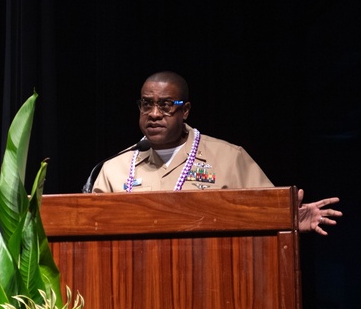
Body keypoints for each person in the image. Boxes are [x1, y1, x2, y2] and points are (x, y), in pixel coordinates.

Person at [90, 71, 342, 235]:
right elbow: (92, 228)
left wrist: (288, 219)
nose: (154, 113)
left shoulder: (229, 158)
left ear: (185, 110)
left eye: (166, 105)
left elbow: (264, 213)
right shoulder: (114, 168)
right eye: (147, 104)